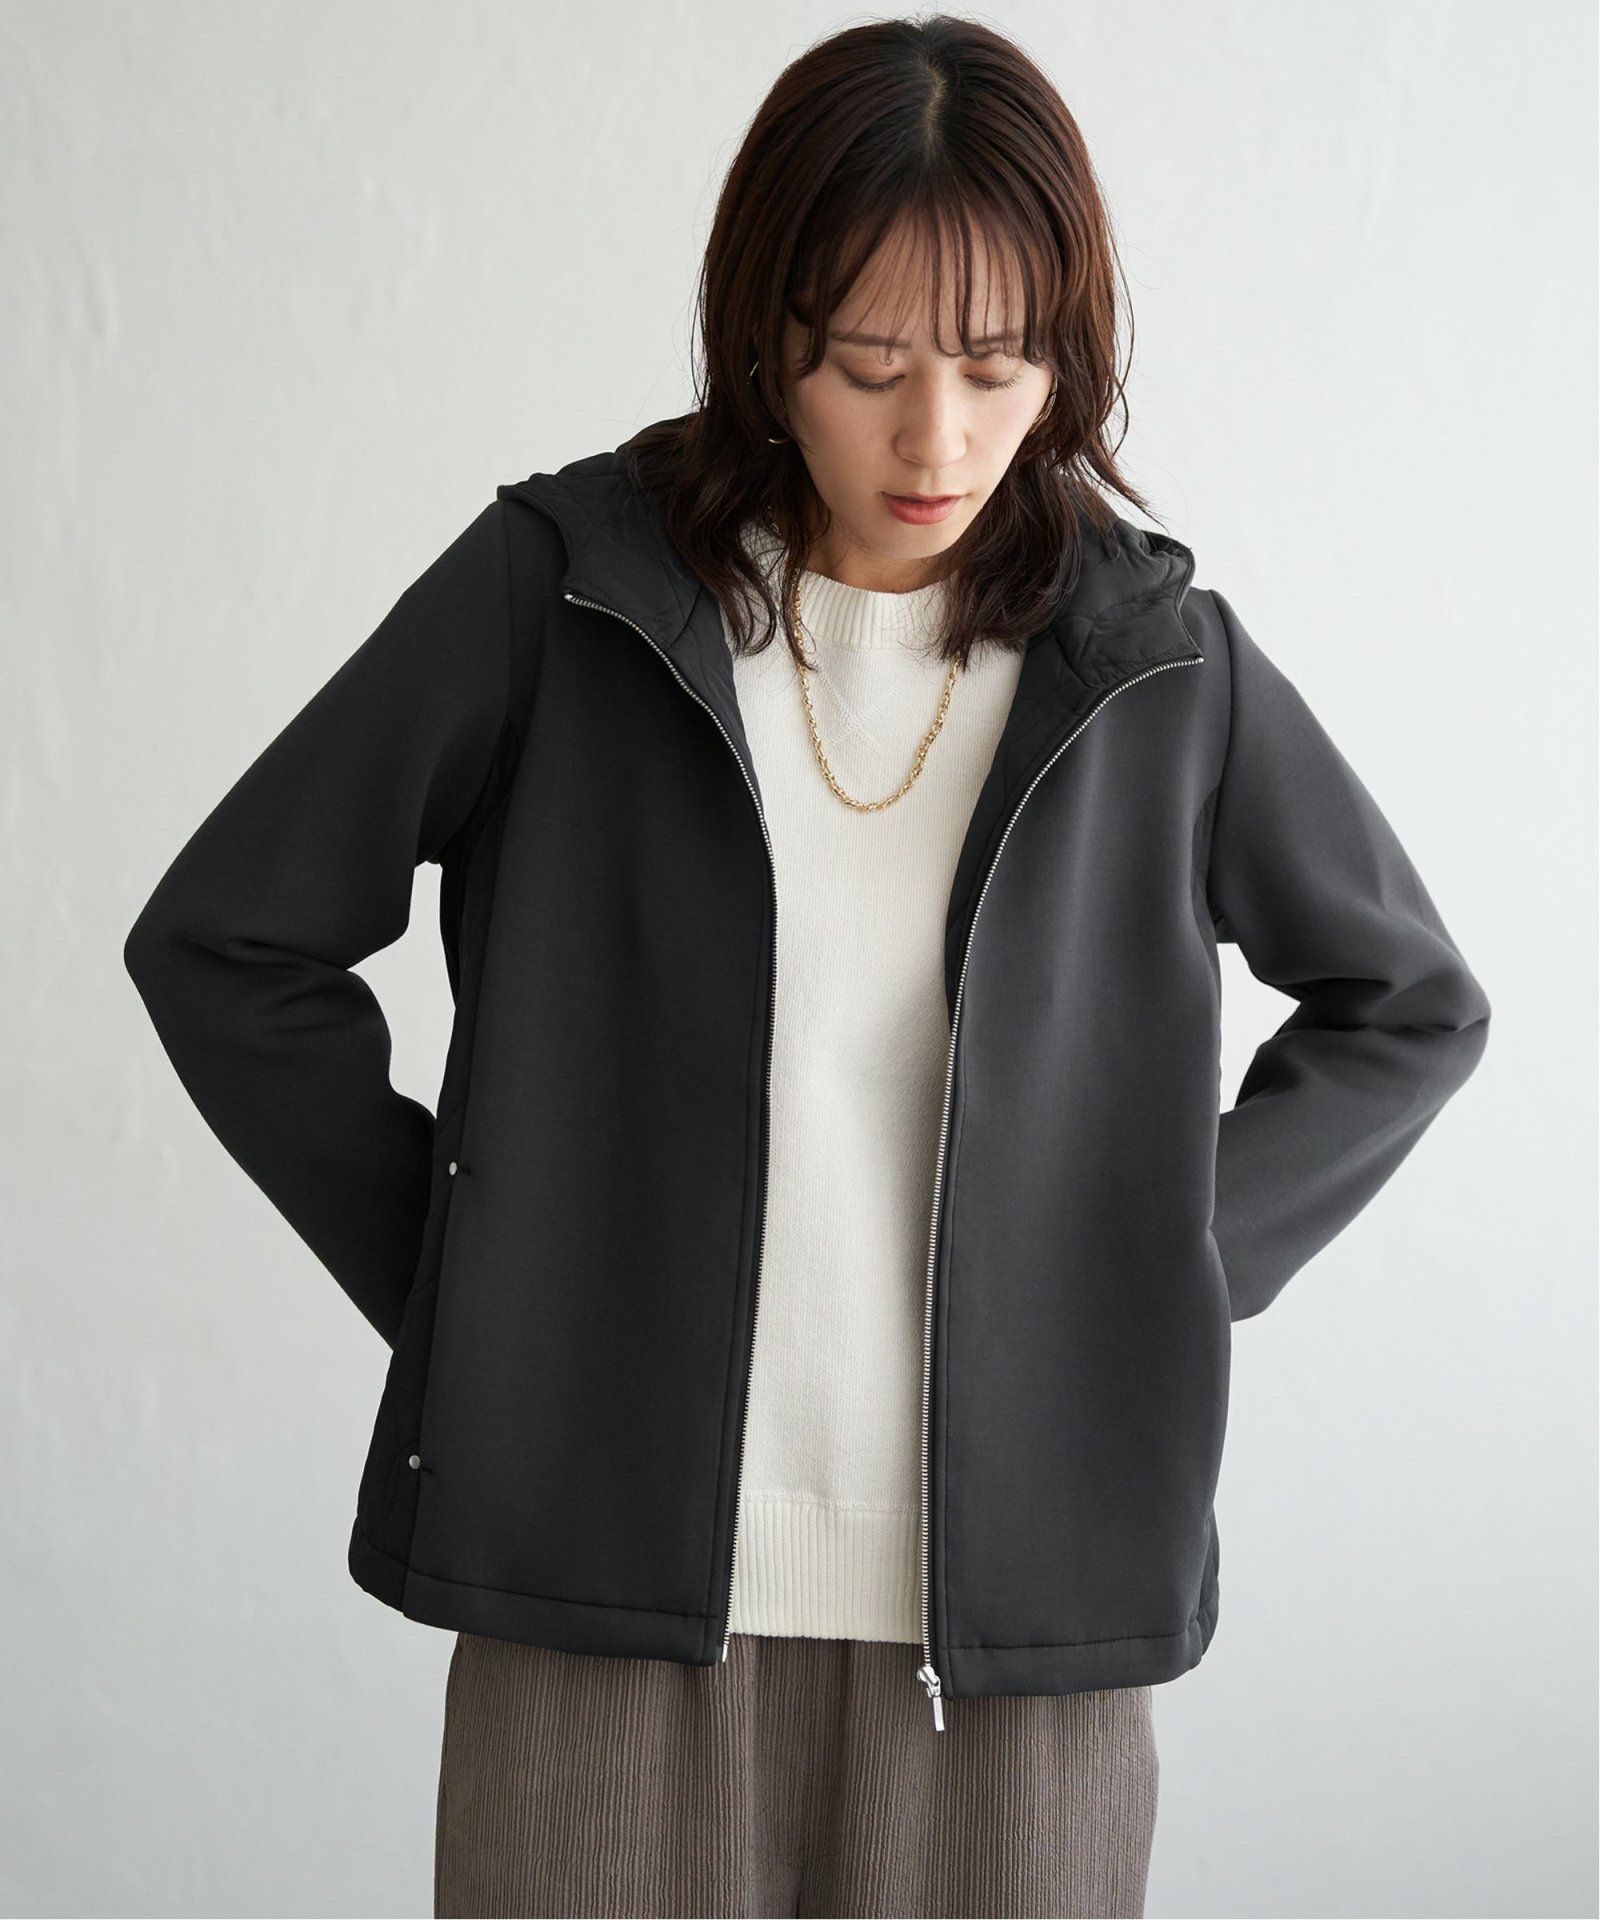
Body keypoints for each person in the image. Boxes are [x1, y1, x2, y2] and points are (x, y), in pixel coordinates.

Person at [122, 15, 1491, 1919]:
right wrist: (474, 1280)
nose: (939, 439)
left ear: (1068, 358)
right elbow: (227, 941)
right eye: (871, 366)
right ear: (769, 342)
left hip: (1018, 1641)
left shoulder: (1155, 669)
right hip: (597, 1611)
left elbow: (1408, 1007)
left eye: (1000, 366)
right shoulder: (567, 593)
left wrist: (1159, 1266)